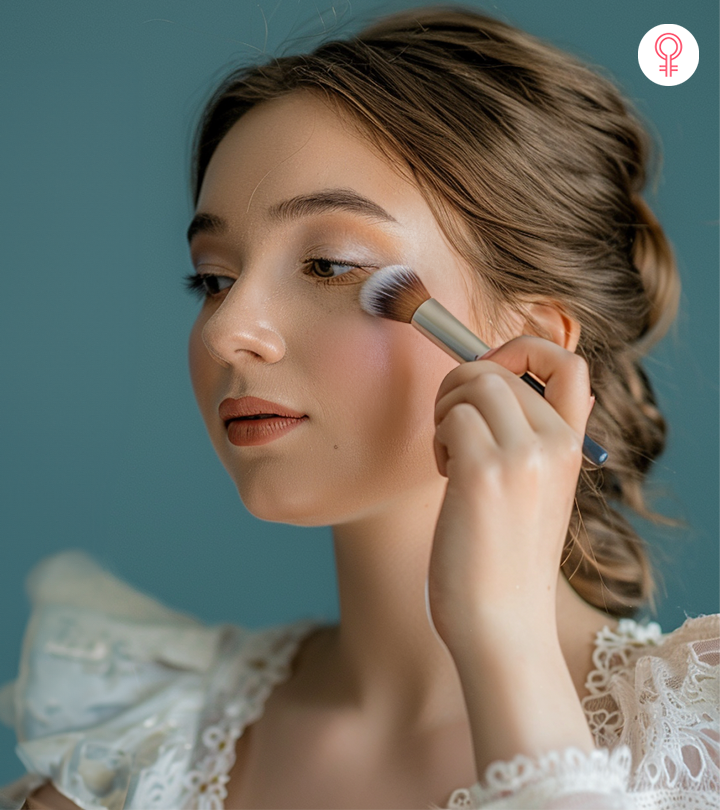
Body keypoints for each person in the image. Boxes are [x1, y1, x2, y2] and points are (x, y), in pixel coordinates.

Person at [2, 5, 718, 809]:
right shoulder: (130, 750)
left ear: (530, 351)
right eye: (213, 278)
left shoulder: (702, 732)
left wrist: (503, 639)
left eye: (329, 264)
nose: (228, 331)